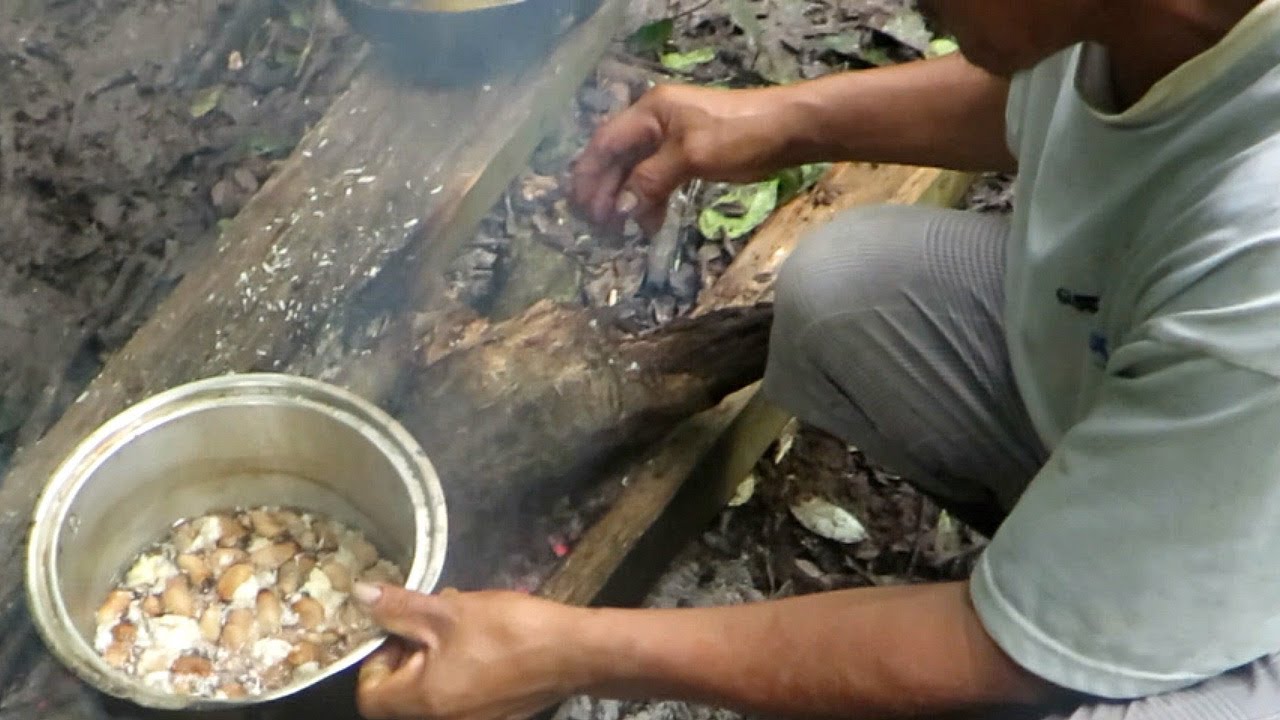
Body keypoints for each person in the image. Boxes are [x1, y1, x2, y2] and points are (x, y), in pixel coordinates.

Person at [350, 1, 1280, 718]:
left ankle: (1109, 623)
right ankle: (1096, 547)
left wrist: (572, 649)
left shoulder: (1262, 248)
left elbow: (993, 649)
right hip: (1191, 410)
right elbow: (1060, 82)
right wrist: (788, 121)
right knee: (852, 287)